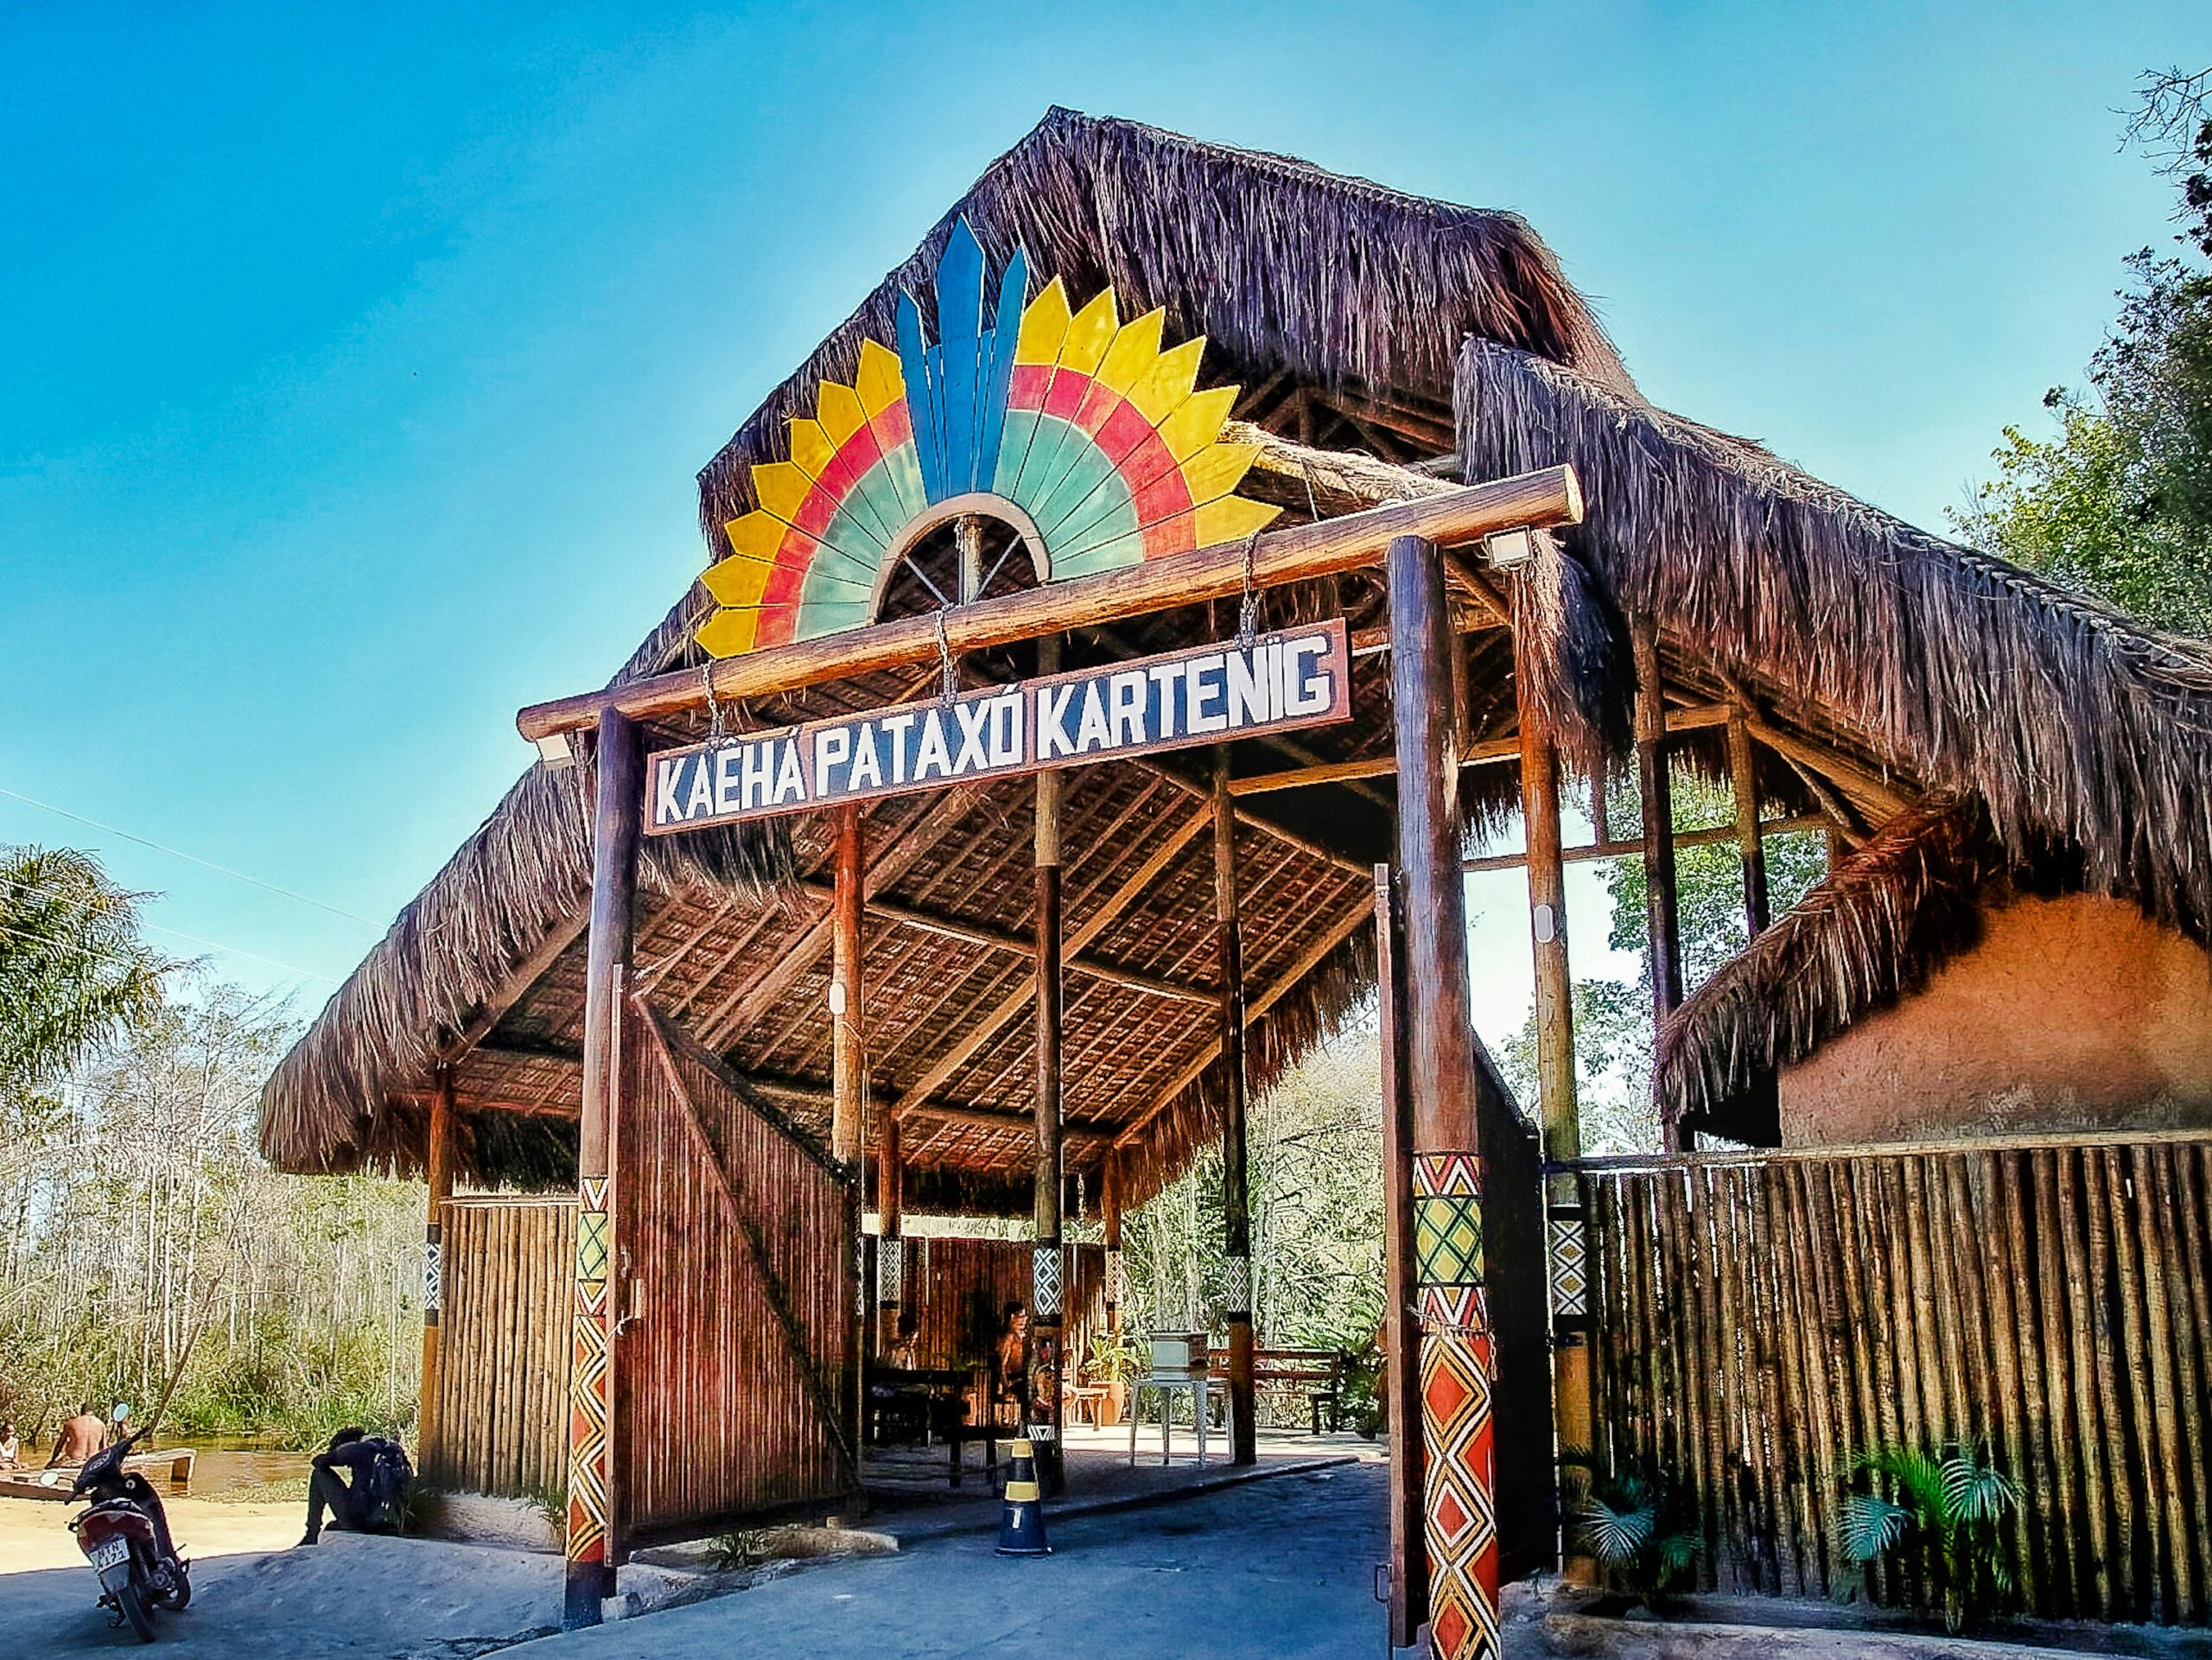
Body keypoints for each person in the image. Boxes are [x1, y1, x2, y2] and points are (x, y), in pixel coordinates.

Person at [301, 1427, 413, 1545]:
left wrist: (333, 1455)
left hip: (362, 1522)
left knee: (319, 1474)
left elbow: (319, 1461)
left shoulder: (357, 1448)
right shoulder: (394, 1449)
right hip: (394, 1523)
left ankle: (311, 1533)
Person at [992, 1301, 1029, 1428]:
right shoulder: (1009, 1338)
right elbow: (1002, 1365)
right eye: (1021, 1317)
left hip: (1025, 1375)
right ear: (1013, 1318)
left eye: (1025, 1317)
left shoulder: (1024, 1336)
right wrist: (1006, 1386)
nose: (1024, 1320)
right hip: (1013, 1379)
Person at [48, 1403, 105, 1467]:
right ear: (94, 1412)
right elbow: (104, 1449)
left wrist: (52, 1460)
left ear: (81, 1411)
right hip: (92, 1462)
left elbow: (59, 1446)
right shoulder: (101, 1425)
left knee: (52, 1465)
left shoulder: (71, 1423)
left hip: (74, 1461)